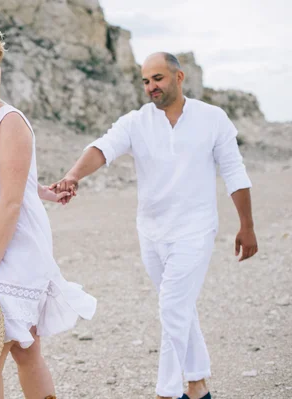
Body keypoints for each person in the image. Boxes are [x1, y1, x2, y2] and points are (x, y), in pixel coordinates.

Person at [51, 52, 258, 399]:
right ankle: (197, 383)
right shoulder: (136, 122)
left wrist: (247, 225)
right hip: (151, 232)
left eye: (158, 79)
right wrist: (73, 175)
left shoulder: (212, 118)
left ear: (179, 77)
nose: (151, 87)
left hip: (195, 229)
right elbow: (103, 148)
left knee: (172, 306)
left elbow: (234, 173)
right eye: (146, 81)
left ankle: (166, 392)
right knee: (179, 304)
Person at [0, 23, 97, 398]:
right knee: (27, 353)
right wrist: (44, 191)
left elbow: (10, 202)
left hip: (12, 258)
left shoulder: (10, 122)